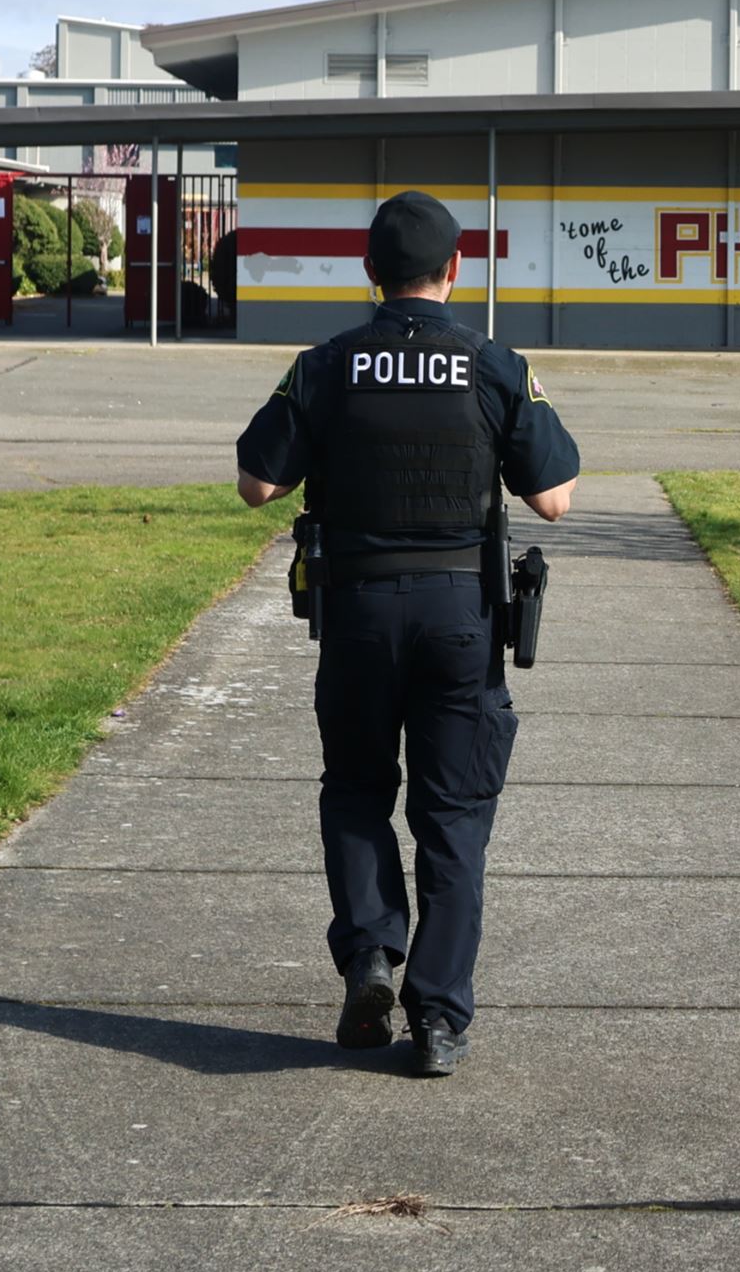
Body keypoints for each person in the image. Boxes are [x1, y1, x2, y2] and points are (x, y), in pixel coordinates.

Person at [234, 190, 580, 1079]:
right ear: (456, 270)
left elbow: (256, 484)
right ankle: (439, 1021)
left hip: (356, 618)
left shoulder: (323, 365)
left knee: (355, 789)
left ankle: (370, 959)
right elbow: (554, 498)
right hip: (459, 617)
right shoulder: (495, 365)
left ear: (369, 272)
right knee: (453, 816)